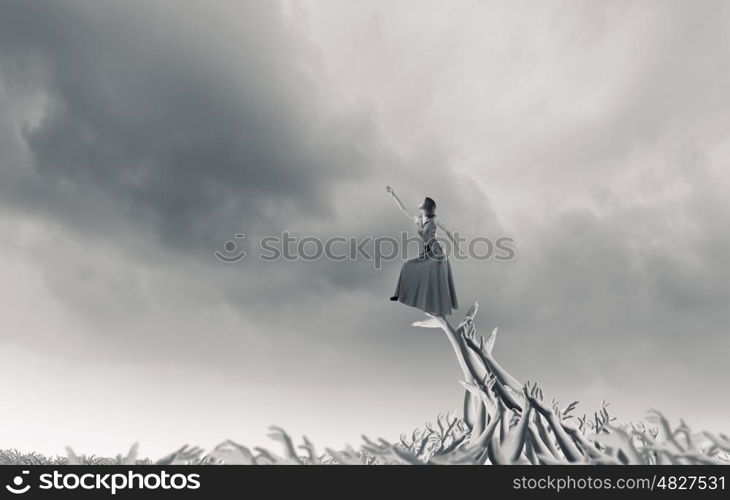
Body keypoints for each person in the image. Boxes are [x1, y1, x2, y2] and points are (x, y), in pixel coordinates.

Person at [386, 186, 459, 317]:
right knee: (407, 265)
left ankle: (438, 310)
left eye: (421, 201)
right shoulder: (418, 220)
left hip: (437, 252)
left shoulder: (435, 219)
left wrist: (457, 245)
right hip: (426, 253)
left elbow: (448, 231)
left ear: (427, 205)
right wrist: (393, 195)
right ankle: (399, 294)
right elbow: (404, 210)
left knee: (435, 279)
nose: (418, 202)